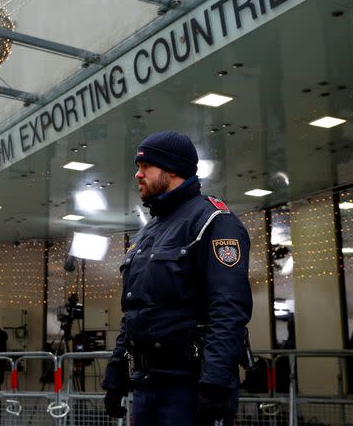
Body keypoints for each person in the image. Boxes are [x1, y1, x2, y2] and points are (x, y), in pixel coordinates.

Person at [102, 131, 252, 426]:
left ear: (171, 170)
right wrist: (117, 367)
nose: (138, 174)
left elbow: (228, 306)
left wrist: (216, 381)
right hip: (147, 386)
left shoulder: (213, 221)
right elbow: (136, 308)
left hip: (191, 389)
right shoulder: (148, 232)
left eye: (145, 167)